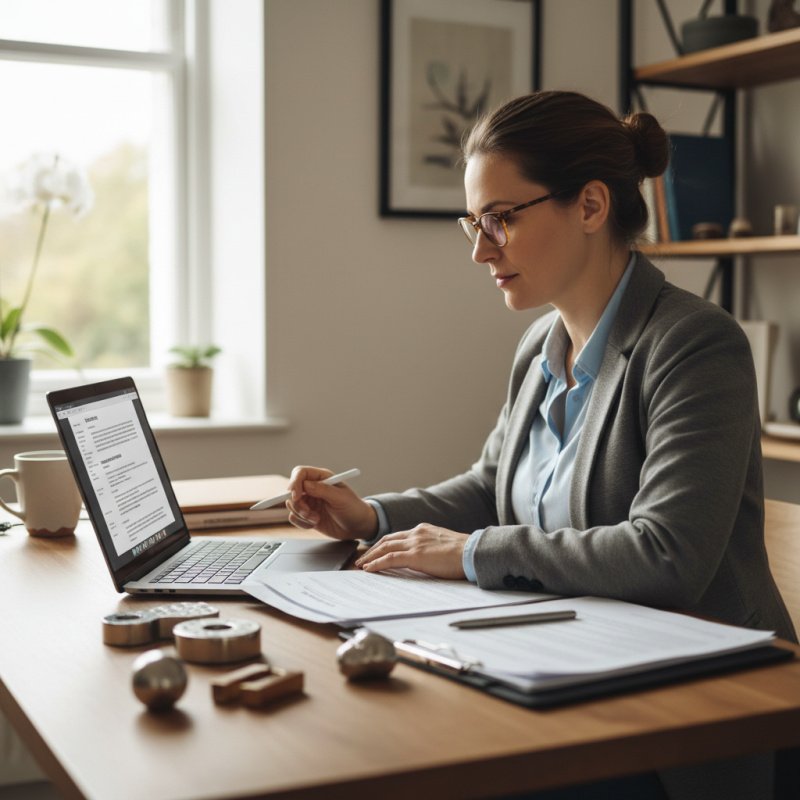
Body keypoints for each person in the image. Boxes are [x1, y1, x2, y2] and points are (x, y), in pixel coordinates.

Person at [285, 91, 796, 800]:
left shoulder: (694, 345)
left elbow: (667, 556)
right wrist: (370, 515)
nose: (479, 249)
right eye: (474, 223)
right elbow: (492, 486)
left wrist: (470, 552)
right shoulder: (539, 345)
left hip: (685, 720)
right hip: (571, 671)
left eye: (500, 218)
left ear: (590, 206)